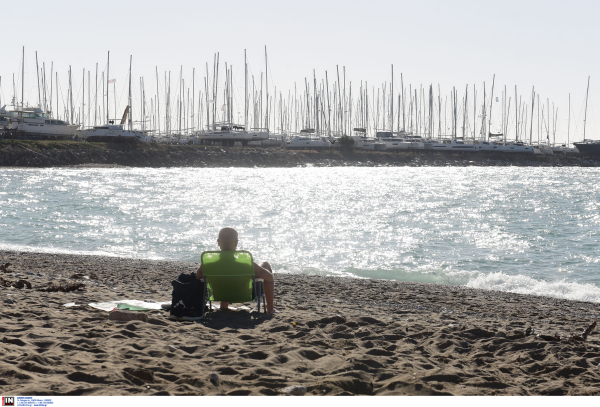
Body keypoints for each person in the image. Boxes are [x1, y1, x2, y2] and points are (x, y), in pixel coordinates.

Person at [196, 227, 275, 314]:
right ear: (236, 243)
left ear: (218, 242)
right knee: (265, 264)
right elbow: (270, 278)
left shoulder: (207, 265)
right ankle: (270, 310)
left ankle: (224, 307)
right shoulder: (247, 264)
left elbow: (198, 277)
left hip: (218, 295)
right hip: (244, 296)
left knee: (223, 271)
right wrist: (253, 274)